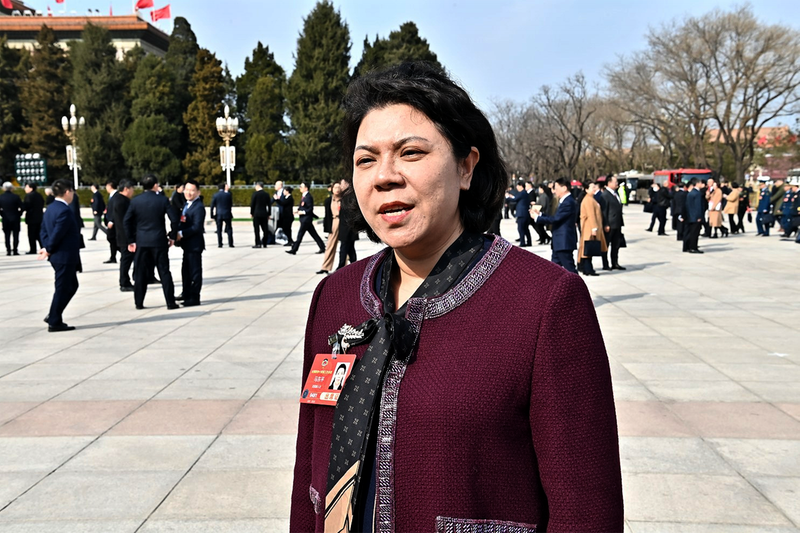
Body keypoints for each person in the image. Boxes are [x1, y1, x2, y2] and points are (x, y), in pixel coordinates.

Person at [289, 62, 623, 533]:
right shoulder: (336, 296)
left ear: (466, 167)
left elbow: (586, 511)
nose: (384, 176)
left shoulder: (544, 301)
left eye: (410, 153)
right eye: (366, 160)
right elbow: (309, 468)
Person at [123, 174, 179, 310]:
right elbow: (174, 219)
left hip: (141, 241)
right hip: (159, 240)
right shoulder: (162, 200)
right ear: (155, 185)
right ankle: (170, 302)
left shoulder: (135, 201)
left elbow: (126, 221)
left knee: (140, 272)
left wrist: (131, 240)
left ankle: (139, 302)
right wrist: (172, 236)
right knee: (164, 271)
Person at [38, 179, 82, 332]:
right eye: (72, 192)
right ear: (67, 192)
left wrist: (46, 246)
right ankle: (54, 320)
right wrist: (49, 248)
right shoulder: (64, 211)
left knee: (71, 285)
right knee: (63, 288)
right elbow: (58, 233)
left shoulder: (51, 208)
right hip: (64, 255)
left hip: (59, 255)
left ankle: (53, 314)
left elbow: (43, 231)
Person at [531, 177, 578, 273]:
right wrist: (540, 214)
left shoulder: (568, 202)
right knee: (554, 270)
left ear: (564, 188)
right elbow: (556, 216)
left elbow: (557, 219)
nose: (554, 191)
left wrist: (537, 218)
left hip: (564, 241)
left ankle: (577, 283)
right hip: (559, 241)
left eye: (556, 188)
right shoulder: (564, 201)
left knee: (569, 269)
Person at [176, 179, 205, 307]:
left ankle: (194, 297)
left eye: (192, 190)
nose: (188, 192)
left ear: (198, 192)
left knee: (194, 272)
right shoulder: (187, 204)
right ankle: (186, 293)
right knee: (186, 271)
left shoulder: (198, 207)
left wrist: (181, 234)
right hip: (187, 245)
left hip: (194, 245)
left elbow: (197, 227)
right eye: (186, 190)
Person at [286, 181, 326, 256]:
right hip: (304, 219)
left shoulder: (308, 197)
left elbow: (310, 209)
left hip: (306, 219)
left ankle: (294, 249)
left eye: (301, 187)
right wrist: (298, 211)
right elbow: (303, 206)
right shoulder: (304, 196)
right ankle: (322, 247)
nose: (300, 188)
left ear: (306, 188)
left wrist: (303, 212)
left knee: (300, 235)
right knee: (314, 234)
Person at [577, 181, 607, 276]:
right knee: (588, 249)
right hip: (589, 228)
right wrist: (594, 228)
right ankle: (588, 269)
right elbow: (591, 215)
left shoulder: (591, 199)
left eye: (595, 187)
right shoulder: (588, 200)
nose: (594, 189)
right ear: (586, 189)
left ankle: (586, 268)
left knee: (587, 249)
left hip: (589, 227)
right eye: (592, 187)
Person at [112, 180, 135, 292]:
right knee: (126, 260)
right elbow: (125, 222)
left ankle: (128, 280)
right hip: (125, 236)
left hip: (123, 235)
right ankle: (124, 282)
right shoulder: (122, 202)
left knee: (127, 260)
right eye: (132, 189)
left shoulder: (118, 199)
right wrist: (130, 238)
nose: (133, 191)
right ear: (126, 189)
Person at [601, 176, 626, 270]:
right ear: (609, 183)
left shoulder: (616, 193)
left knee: (616, 245)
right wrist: (605, 224)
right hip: (610, 224)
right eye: (615, 182)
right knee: (606, 245)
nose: (617, 183)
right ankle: (605, 264)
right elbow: (604, 211)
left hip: (617, 223)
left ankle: (615, 263)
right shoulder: (605, 195)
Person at [319, 182, 342, 274]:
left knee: (346, 246)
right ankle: (325, 267)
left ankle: (344, 266)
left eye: (339, 187)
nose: (337, 189)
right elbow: (327, 215)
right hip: (334, 222)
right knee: (330, 245)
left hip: (344, 223)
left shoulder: (345, 200)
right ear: (332, 189)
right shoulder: (328, 200)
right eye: (335, 187)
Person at [336, 179, 358, 270]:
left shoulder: (349, 196)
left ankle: (341, 266)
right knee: (350, 249)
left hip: (348, 229)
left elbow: (350, 213)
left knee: (344, 248)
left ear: (347, 184)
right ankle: (355, 265)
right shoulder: (346, 195)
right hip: (347, 228)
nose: (340, 186)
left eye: (342, 183)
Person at [0, 181, 23, 255]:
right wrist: (19, 214)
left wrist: (2, 214)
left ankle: (8, 250)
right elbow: (22, 207)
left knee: (7, 235)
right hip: (15, 217)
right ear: (12, 188)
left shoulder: (1, 197)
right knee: (16, 235)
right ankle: (15, 250)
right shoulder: (16, 197)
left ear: (3, 188)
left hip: (6, 218)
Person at [684, 177, 705, 253]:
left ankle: (688, 247)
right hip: (696, 216)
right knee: (695, 233)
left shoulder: (690, 193)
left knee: (691, 232)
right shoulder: (697, 193)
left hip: (690, 216)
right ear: (697, 184)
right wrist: (699, 216)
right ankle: (693, 247)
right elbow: (698, 206)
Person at [22, 183, 44, 254]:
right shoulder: (39, 195)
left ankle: (33, 249)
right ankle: (43, 247)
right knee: (39, 234)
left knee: (32, 235)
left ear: (31, 188)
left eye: (26, 187)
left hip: (31, 218)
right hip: (39, 217)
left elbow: (26, 206)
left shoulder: (28, 196)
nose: (25, 189)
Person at [210, 182, 234, 248]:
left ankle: (220, 243)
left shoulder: (215, 195)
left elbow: (212, 206)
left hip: (219, 214)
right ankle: (230, 243)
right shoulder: (228, 195)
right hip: (227, 213)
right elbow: (230, 204)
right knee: (229, 229)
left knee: (219, 229)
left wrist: (212, 214)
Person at [250, 181, 272, 248]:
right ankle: (265, 243)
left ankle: (258, 243)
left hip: (256, 213)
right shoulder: (266, 194)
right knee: (265, 229)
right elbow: (269, 205)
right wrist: (269, 214)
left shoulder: (255, 194)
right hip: (264, 213)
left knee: (257, 229)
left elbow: (252, 204)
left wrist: (251, 213)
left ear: (258, 186)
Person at [274, 181, 295, 245]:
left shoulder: (289, 198)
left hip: (288, 216)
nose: (283, 192)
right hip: (286, 216)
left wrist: (277, 199)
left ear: (287, 191)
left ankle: (289, 240)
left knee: (287, 229)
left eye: (284, 191)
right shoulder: (287, 197)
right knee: (286, 229)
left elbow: (283, 203)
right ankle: (289, 240)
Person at [513, 180, 532, 247]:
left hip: (521, 213)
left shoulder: (522, 193)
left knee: (521, 228)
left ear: (521, 186)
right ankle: (529, 242)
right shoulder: (525, 193)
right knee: (526, 229)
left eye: (518, 186)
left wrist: (507, 197)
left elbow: (514, 199)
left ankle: (522, 242)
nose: (517, 187)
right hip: (525, 213)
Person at [103, 180, 118, 264]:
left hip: (113, 222)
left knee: (111, 238)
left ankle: (125, 253)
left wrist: (112, 220)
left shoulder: (116, 196)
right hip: (109, 221)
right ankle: (113, 257)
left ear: (109, 186)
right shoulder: (111, 196)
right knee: (112, 239)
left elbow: (115, 209)